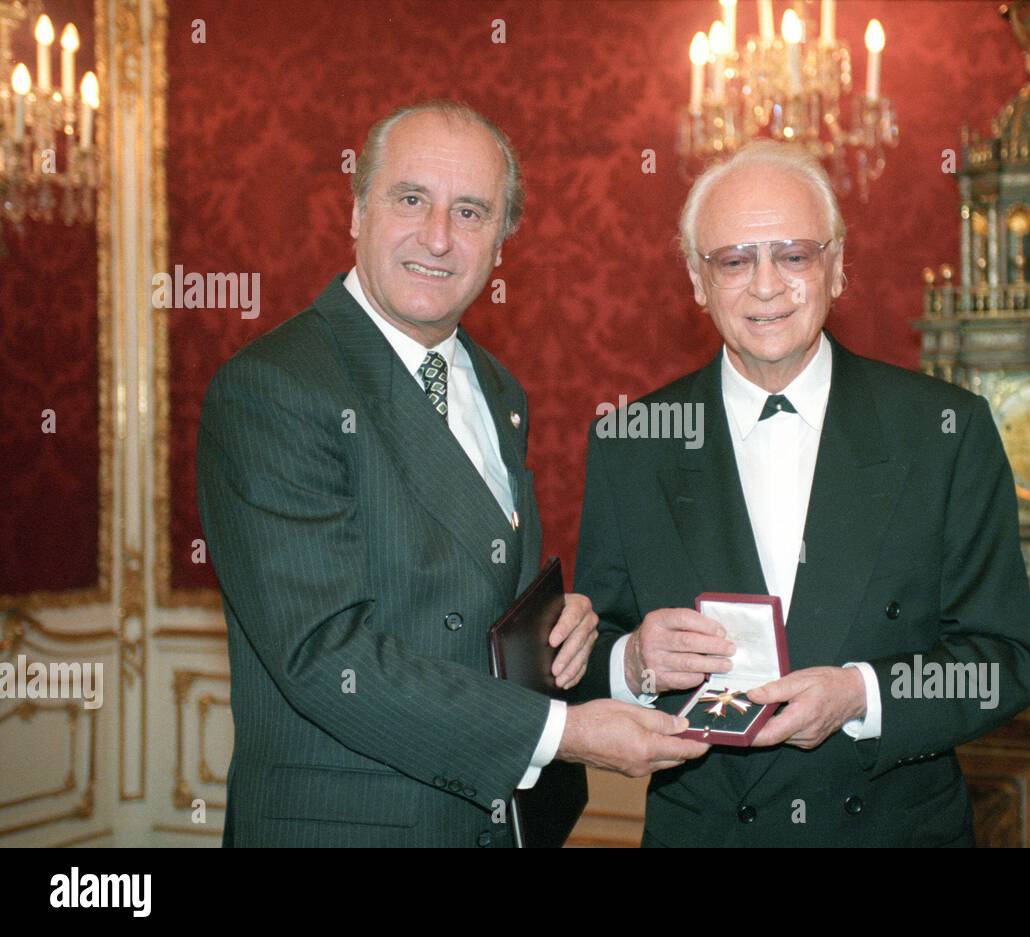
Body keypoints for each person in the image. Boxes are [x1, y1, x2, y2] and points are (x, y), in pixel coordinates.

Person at [196, 100, 706, 848]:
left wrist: (562, 630)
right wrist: (562, 732)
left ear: (502, 243)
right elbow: (324, 655)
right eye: (411, 199)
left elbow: (476, 607)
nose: (438, 236)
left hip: (494, 820)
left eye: (471, 212)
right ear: (358, 210)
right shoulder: (276, 387)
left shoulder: (497, 390)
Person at [570, 140, 1030, 847]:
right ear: (698, 281)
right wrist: (633, 661)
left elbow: (1006, 663)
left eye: (793, 255)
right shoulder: (631, 442)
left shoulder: (943, 430)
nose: (766, 285)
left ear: (837, 266)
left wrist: (863, 695)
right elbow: (587, 657)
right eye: (734, 260)